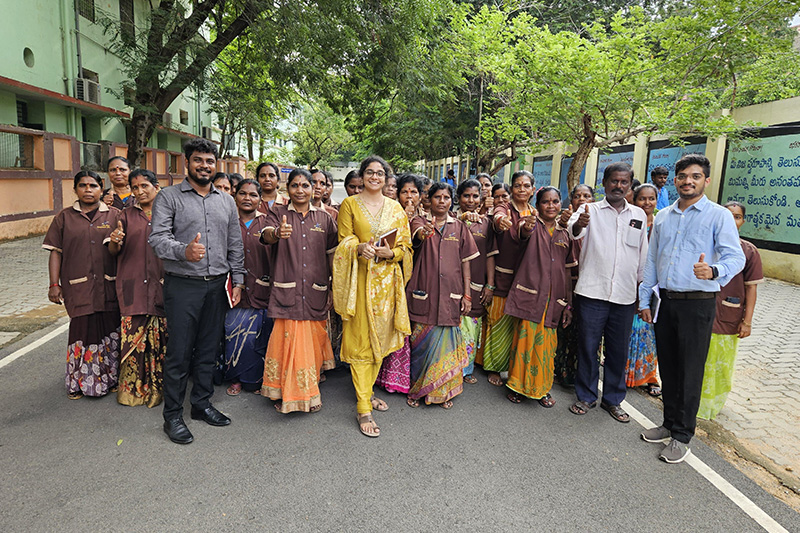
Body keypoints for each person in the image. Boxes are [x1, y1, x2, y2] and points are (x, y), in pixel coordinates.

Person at [639, 153, 745, 463]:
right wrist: (644, 300)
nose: (688, 181)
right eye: (683, 176)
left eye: (695, 176)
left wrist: (713, 271)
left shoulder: (718, 216)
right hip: (666, 301)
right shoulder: (663, 216)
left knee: (690, 370)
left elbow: (736, 258)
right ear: (675, 181)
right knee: (669, 366)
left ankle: (682, 435)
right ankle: (668, 423)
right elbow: (652, 260)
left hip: (697, 304)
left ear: (706, 180)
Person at [149, 138, 246, 445]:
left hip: (217, 285)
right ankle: (173, 416)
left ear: (216, 165)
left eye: (209, 161)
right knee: (179, 352)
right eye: (198, 160)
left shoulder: (226, 201)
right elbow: (157, 239)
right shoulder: (168, 197)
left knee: (208, 349)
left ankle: (201, 405)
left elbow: (235, 244)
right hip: (183, 285)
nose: (204, 166)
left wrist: (238, 281)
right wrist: (183, 251)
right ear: (187, 163)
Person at [333, 155, 412, 437]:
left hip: (386, 286)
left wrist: (392, 253)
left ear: (386, 178)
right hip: (359, 283)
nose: (375, 177)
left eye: (380, 173)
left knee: (379, 339)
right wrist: (357, 248)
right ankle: (363, 406)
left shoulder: (395, 208)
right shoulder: (350, 205)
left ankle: (367, 391)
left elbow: (406, 247)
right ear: (363, 175)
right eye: (370, 172)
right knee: (360, 341)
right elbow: (343, 241)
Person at [566, 162, 648, 424]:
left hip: (625, 295)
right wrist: (579, 223)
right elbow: (573, 231)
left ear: (630, 185)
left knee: (617, 351)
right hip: (592, 292)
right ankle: (586, 396)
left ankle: (613, 400)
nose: (618, 186)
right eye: (614, 181)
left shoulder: (638, 215)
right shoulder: (588, 210)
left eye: (624, 182)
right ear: (604, 183)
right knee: (588, 347)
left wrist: (642, 292)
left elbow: (642, 255)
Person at [259, 169, 337, 413]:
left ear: (313, 189)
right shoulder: (277, 213)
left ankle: (308, 387)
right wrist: (277, 233)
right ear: (287, 188)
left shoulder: (325, 219)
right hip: (287, 290)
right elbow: (265, 235)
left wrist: (334, 287)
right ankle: (288, 392)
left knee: (311, 343)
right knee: (288, 343)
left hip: (316, 290)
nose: (300, 190)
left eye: (305, 185)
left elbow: (332, 255)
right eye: (295, 185)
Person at [43, 170, 120, 399]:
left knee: (109, 329)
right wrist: (54, 284)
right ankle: (78, 383)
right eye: (83, 185)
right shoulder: (64, 218)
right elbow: (55, 252)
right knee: (82, 331)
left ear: (101, 188)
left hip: (108, 285)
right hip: (77, 286)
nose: (88, 190)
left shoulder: (114, 215)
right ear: (75, 189)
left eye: (93, 186)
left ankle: (110, 379)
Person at [406, 183, 478, 408]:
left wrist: (467, 295)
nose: (442, 201)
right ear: (429, 199)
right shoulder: (419, 222)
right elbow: (417, 235)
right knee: (421, 345)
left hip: (451, 294)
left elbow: (466, 263)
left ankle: (443, 392)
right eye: (437, 197)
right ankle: (417, 391)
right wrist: (424, 232)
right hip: (423, 293)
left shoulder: (459, 227)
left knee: (447, 345)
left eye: (446, 198)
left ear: (451, 201)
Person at [505, 187, 575, 406]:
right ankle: (517, 386)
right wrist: (527, 226)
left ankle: (542, 389)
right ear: (537, 205)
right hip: (531, 296)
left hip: (554, 300)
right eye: (546, 202)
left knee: (547, 347)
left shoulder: (565, 233)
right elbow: (522, 232)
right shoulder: (530, 224)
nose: (551, 206)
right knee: (524, 343)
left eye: (555, 201)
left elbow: (567, 271)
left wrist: (568, 304)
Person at [107, 169, 167, 407]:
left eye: (145, 186)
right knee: (133, 341)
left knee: (161, 342)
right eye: (135, 187)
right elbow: (114, 251)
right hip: (133, 285)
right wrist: (114, 242)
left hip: (162, 285)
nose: (140, 191)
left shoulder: (169, 213)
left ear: (156, 187)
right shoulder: (125, 215)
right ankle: (132, 392)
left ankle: (158, 389)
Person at [697, 201, 762, 420]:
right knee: (696, 358)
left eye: (737, 217)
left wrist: (747, 321)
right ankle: (690, 401)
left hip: (728, 315)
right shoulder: (706, 244)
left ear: (743, 221)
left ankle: (710, 405)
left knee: (720, 363)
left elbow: (751, 288)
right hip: (699, 312)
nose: (732, 220)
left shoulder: (749, 251)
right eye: (727, 215)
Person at [482, 171, 534, 387]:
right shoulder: (505, 208)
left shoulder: (534, 212)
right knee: (498, 322)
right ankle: (494, 367)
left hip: (526, 279)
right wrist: (501, 221)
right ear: (511, 189)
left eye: (526, 185)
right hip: (503, 277)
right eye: (518, 185)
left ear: (532, 189)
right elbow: (498, 217)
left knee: (518, 326)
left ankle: (513, 367)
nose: (522, 189)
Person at [223, 179, 273, 397]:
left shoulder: (268, 222)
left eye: (253, 195)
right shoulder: (227, 221)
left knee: (258, 336)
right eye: (243, 193)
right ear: (235, 196)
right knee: (233, 333)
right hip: (233, 290)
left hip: (262, 288)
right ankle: (235, 377)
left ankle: (256, 379)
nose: (247, 198)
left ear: (260, 199)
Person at [454, 179, 496, 384]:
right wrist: (460, 220)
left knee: (471, 327)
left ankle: (466, 369)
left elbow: (490, 256)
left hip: (477, 282)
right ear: (458, 198)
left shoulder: (486, 223)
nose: (471, 200)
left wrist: (490, 285)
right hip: (452, 284)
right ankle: (449, 371)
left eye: (475, 196)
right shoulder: (450, 219)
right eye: (466, 196)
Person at [553, 184, 593, 387]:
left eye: (586, 195)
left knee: (585, 331)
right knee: (565, 328)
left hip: (591, 286)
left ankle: (580, 375)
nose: (582, 199)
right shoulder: (565, 224)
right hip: (568, 282)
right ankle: (561, 371)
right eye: (577, 196)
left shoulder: (599, 224)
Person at [624, 183, 661, 396]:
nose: (647, 203)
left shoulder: (662, 224)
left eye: (651, 198)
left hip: (654, 286)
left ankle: (649, 377)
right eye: (642, 198)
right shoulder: (630, 222)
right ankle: (625, 373)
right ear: (634, 200)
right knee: (628, 330)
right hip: (630, 283)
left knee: (649, 332)